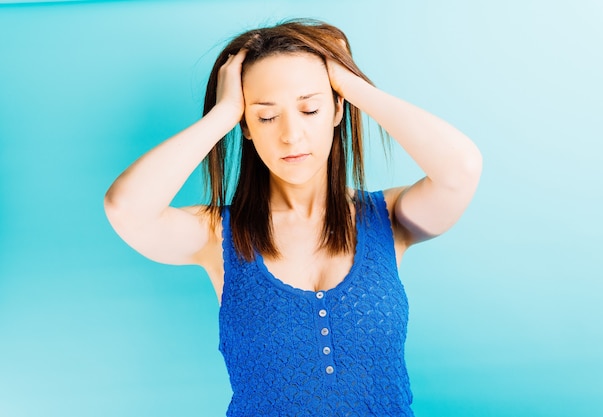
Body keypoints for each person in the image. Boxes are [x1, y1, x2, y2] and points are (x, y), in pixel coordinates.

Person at [104, 18, 482, 417]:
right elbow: (125, 208)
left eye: (310, 108)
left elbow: (462, 169)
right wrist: (225, 112)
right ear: (246, 127)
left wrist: (351, 84)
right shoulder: (215, 233)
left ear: (337, 108)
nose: (291, 135)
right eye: (266, 116)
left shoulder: (389, 218)